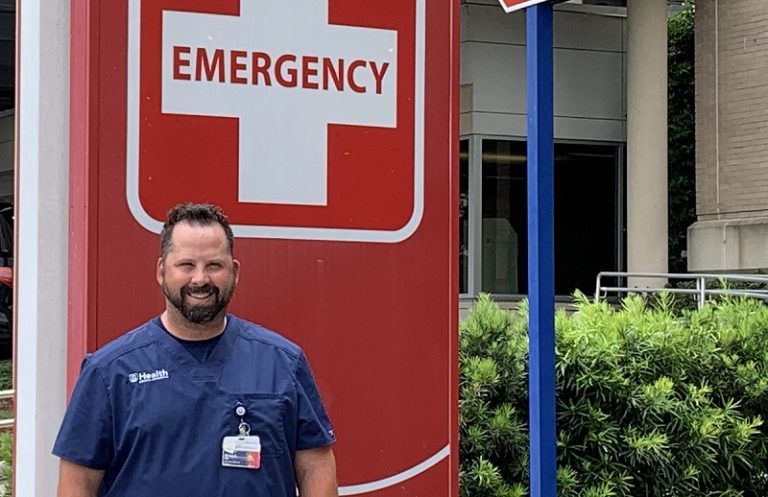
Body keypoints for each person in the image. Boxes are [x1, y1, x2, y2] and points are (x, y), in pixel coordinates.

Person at [53, 203, 338, 497]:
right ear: (162, 271)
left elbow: (315, 466)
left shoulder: (282, 362)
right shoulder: (109, 372)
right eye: (187, 265)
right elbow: (78, 483)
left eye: (213, 265)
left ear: (234, 271)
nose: (200, 279)